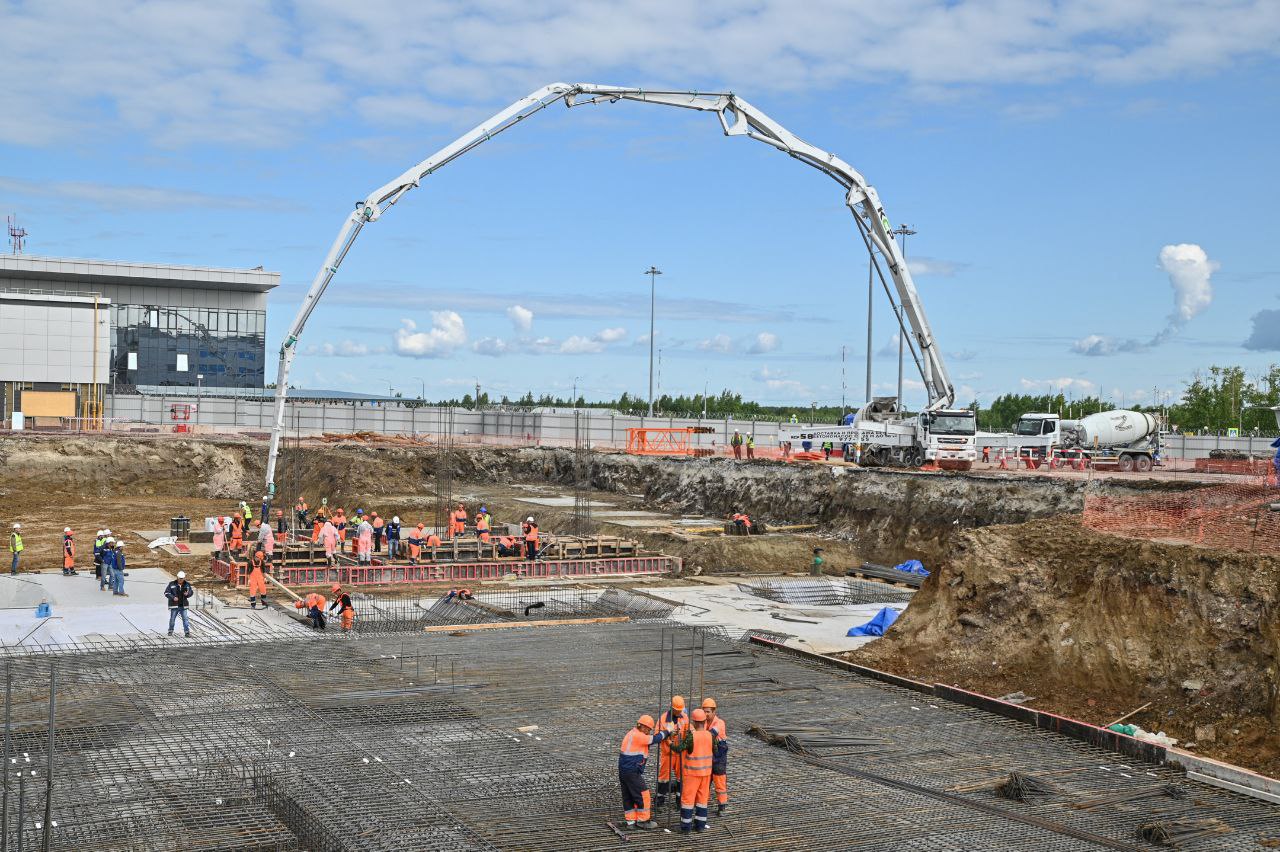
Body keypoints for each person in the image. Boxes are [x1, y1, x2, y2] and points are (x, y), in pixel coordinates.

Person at [619, 714, 677, 831]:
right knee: (643, 794)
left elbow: (651, 740)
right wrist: (668, 730)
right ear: (641, 726)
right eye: (647, 729)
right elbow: (654, 739)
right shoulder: (638, 736)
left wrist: (664, 734)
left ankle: (630, 822)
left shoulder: (632, 733)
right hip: (632, 772)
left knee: (629, 796)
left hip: (624, 771)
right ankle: (643, 821)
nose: (648, 731)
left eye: (649, 730)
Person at [673, 707, 716, 833]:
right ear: (704, 721)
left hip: (692, 773)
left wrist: (670, 743)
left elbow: (679, 748)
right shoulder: (711, 735)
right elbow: (716, 750)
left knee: (687, 800)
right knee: (702, 800)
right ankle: (700, 826)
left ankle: (686, 828)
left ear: (695, 723)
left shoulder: (692, 737)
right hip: (706, 773)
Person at [655, 695, 689, 808]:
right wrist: (667, 734)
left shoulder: (685, 718)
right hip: (667, 754)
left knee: (681, 778)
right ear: (673, 709)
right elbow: (657, 736)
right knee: (663, 778)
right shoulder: (663, 719)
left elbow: (688, 732)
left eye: (681, 710)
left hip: (680, 754)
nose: (680, 712)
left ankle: (680, 801)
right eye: (678, 710)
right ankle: (659, 801)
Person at [701, 699, 730, 815]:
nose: (706, 714)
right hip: (707, 755)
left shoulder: (720, 723)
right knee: (705, 781)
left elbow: (711, 734)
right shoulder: (703, 723)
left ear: (714, 712)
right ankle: (702, 804)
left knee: (719, 781)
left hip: (719, 757)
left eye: (708, 712)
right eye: (704, 712)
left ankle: (722, 806)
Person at [165, 571, 194, 637]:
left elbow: (191, 592)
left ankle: (187, 632)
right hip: (174, 605)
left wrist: (188, 594)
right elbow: (166, 593)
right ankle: (170, 631)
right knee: (172, 619)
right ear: (177, 577)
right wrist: (173, 597)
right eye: (180, 578)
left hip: (183, 606)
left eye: (182, 578)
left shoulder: (187, 584)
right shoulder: (171, 584)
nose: (181, 580)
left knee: (185, 619)